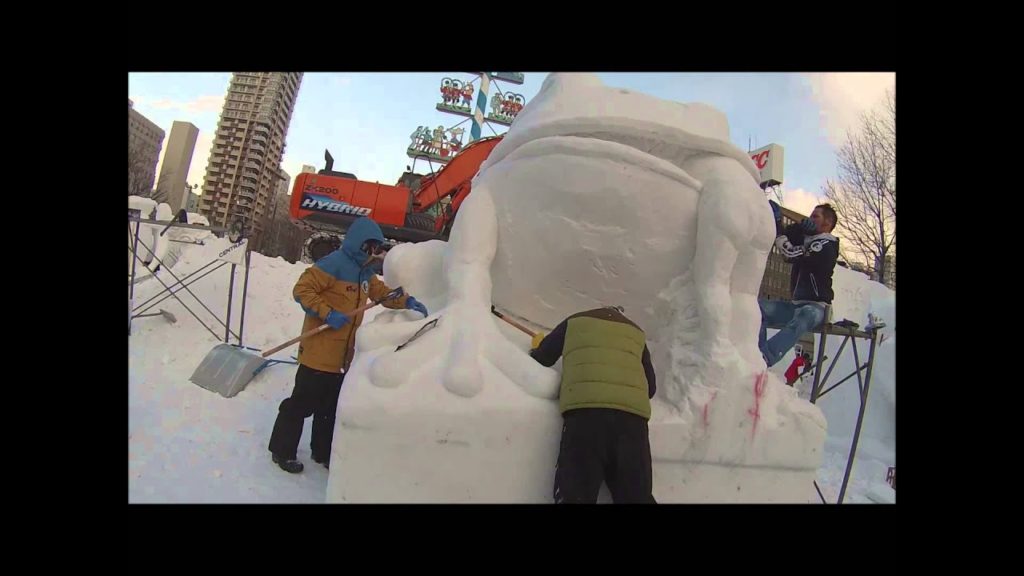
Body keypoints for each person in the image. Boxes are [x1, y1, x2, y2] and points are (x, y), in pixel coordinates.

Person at [268, 217, 429, 473]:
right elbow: (302, 289)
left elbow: (382, 294)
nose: (374, 253)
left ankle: (322, 452)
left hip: (341, 357)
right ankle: (281, 450)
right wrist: (327, 312)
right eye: (371, 246)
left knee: (329, 408)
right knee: (301, 404)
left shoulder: (364, 272)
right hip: (318, 352)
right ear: (359, 243)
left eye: (377, 248)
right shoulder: (333, 264)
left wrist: (406, 301)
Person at [528, 305, 657, 503]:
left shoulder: (574, 322)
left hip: (586, 417)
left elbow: (543, 358)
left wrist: (538, 345)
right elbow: (651, 388)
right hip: (632, 423)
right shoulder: (636, 333)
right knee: (636, 497)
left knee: (576, 496)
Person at [758, 202, 840, 368]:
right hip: (795, 306)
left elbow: (790, 253)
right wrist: (796, 228)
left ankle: (765, 357)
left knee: (805, 315)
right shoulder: (808, 240)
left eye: (815, 216)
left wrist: (782, 229)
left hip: (817, 308)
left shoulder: (826, 245)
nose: (810, 219)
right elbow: (786, 236)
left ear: (827, 223)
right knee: (758, 307)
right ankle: (755, 351)